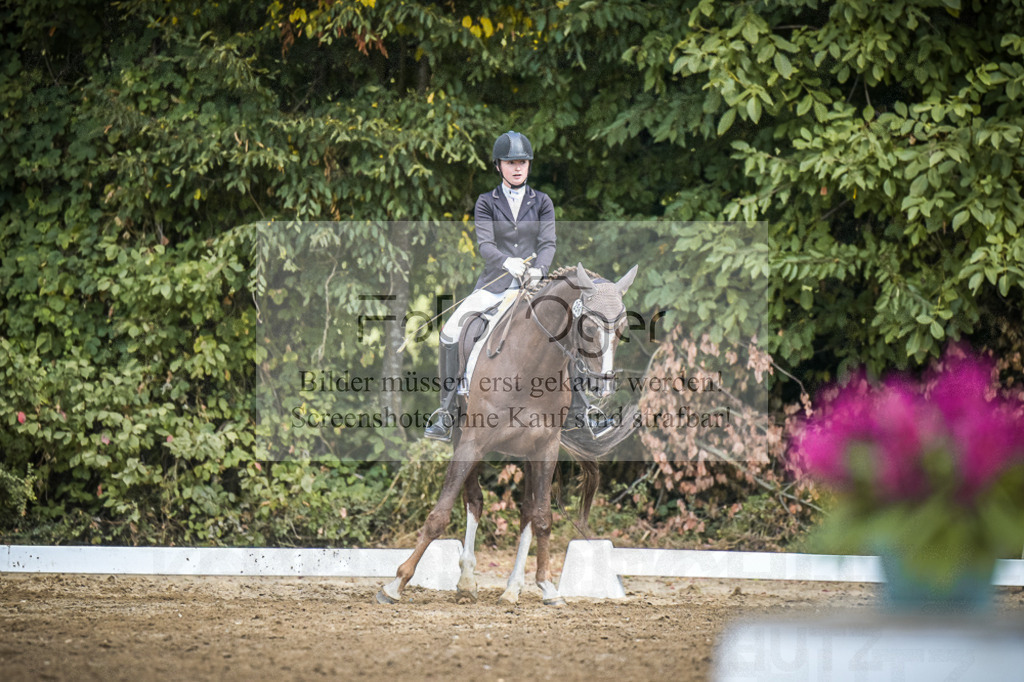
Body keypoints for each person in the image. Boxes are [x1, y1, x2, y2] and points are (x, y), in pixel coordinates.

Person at [424, 131, 556, 441]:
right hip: (495, 283)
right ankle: (446, 410)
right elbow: (485, 244)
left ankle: (584, 409)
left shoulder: (542, 202)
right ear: (498, 166)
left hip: (531, 287)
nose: (518, 168)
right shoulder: (486, 202)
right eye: (511, 163)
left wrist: (539, 270)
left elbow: (548, 243)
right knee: (450, 331)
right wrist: (506, 262)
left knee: (567, 326)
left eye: (522, 162)